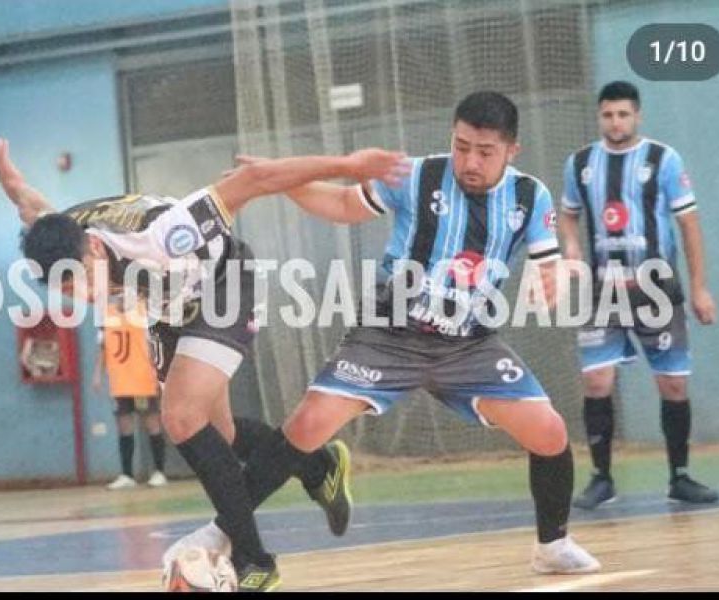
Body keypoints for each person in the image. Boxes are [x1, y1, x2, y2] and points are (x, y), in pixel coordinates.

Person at [179, 91, 602, 575]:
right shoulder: (418, 175)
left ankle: (552, 547)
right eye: (461, 145)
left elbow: (551, 259)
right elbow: (342, 203)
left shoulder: (531, 196)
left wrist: (557, 275)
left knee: (549, 432)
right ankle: (222, 531)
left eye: (484, 152)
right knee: (308, 425)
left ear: (512, 151)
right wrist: (279, 183)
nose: (469, 160)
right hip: (389, 334)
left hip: (469, 344)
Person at [0, 138, 408, 590]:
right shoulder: (61, 235)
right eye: (65, 292)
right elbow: (29, 202)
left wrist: (347, 163)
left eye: (80, 282)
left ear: (93, 248)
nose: (83, 296)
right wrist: (7, 176)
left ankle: (255, 561)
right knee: (220, 438)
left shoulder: (166, 232)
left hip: (225, 287)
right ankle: (318, 467)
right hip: (170, 307)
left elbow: (255, 180)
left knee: (180, 417)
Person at [558, 81, 719, 509]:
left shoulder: (663, 160)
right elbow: (568, 217)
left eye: (623, 114)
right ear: (599, 117)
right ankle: (602, 478)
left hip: (657, 289)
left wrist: (699, 287)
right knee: (596, 380)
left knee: (673, 385)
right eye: (608, 114)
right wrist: (570, 246)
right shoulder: (580, 165)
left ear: (638, 115)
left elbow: (689, 225)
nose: (616, 122)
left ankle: (680, 476)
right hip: (604, 290)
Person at [92, 299, 168, 490]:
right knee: (124, 425)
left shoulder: (145, 312)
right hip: (119, 379)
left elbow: (156, 345)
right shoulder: (107, 313)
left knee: (152, 423)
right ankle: (127, 474)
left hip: (143, 378)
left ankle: (159, 472)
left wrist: (160, 375)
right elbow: (103, 347)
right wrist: (97, 374)